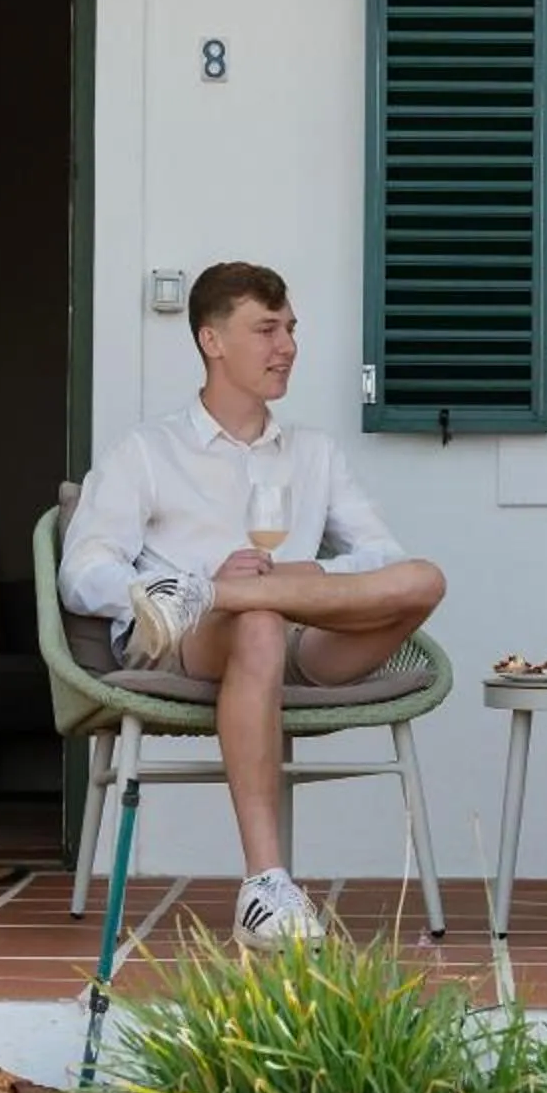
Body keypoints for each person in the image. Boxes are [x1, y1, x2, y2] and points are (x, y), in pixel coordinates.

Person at [59, 261, 447, 949]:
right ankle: (266, 883)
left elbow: (384, 559)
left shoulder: (313, 454)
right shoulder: (148, 451)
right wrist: (197, 588)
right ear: (213, 341)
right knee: (258, 623)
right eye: (266, 329)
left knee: (424, 579)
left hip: (304, 636)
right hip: (188, 639)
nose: (287, 345)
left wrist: (299, 572)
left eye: (291, 328)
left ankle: (227, 593)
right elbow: (83, 571)